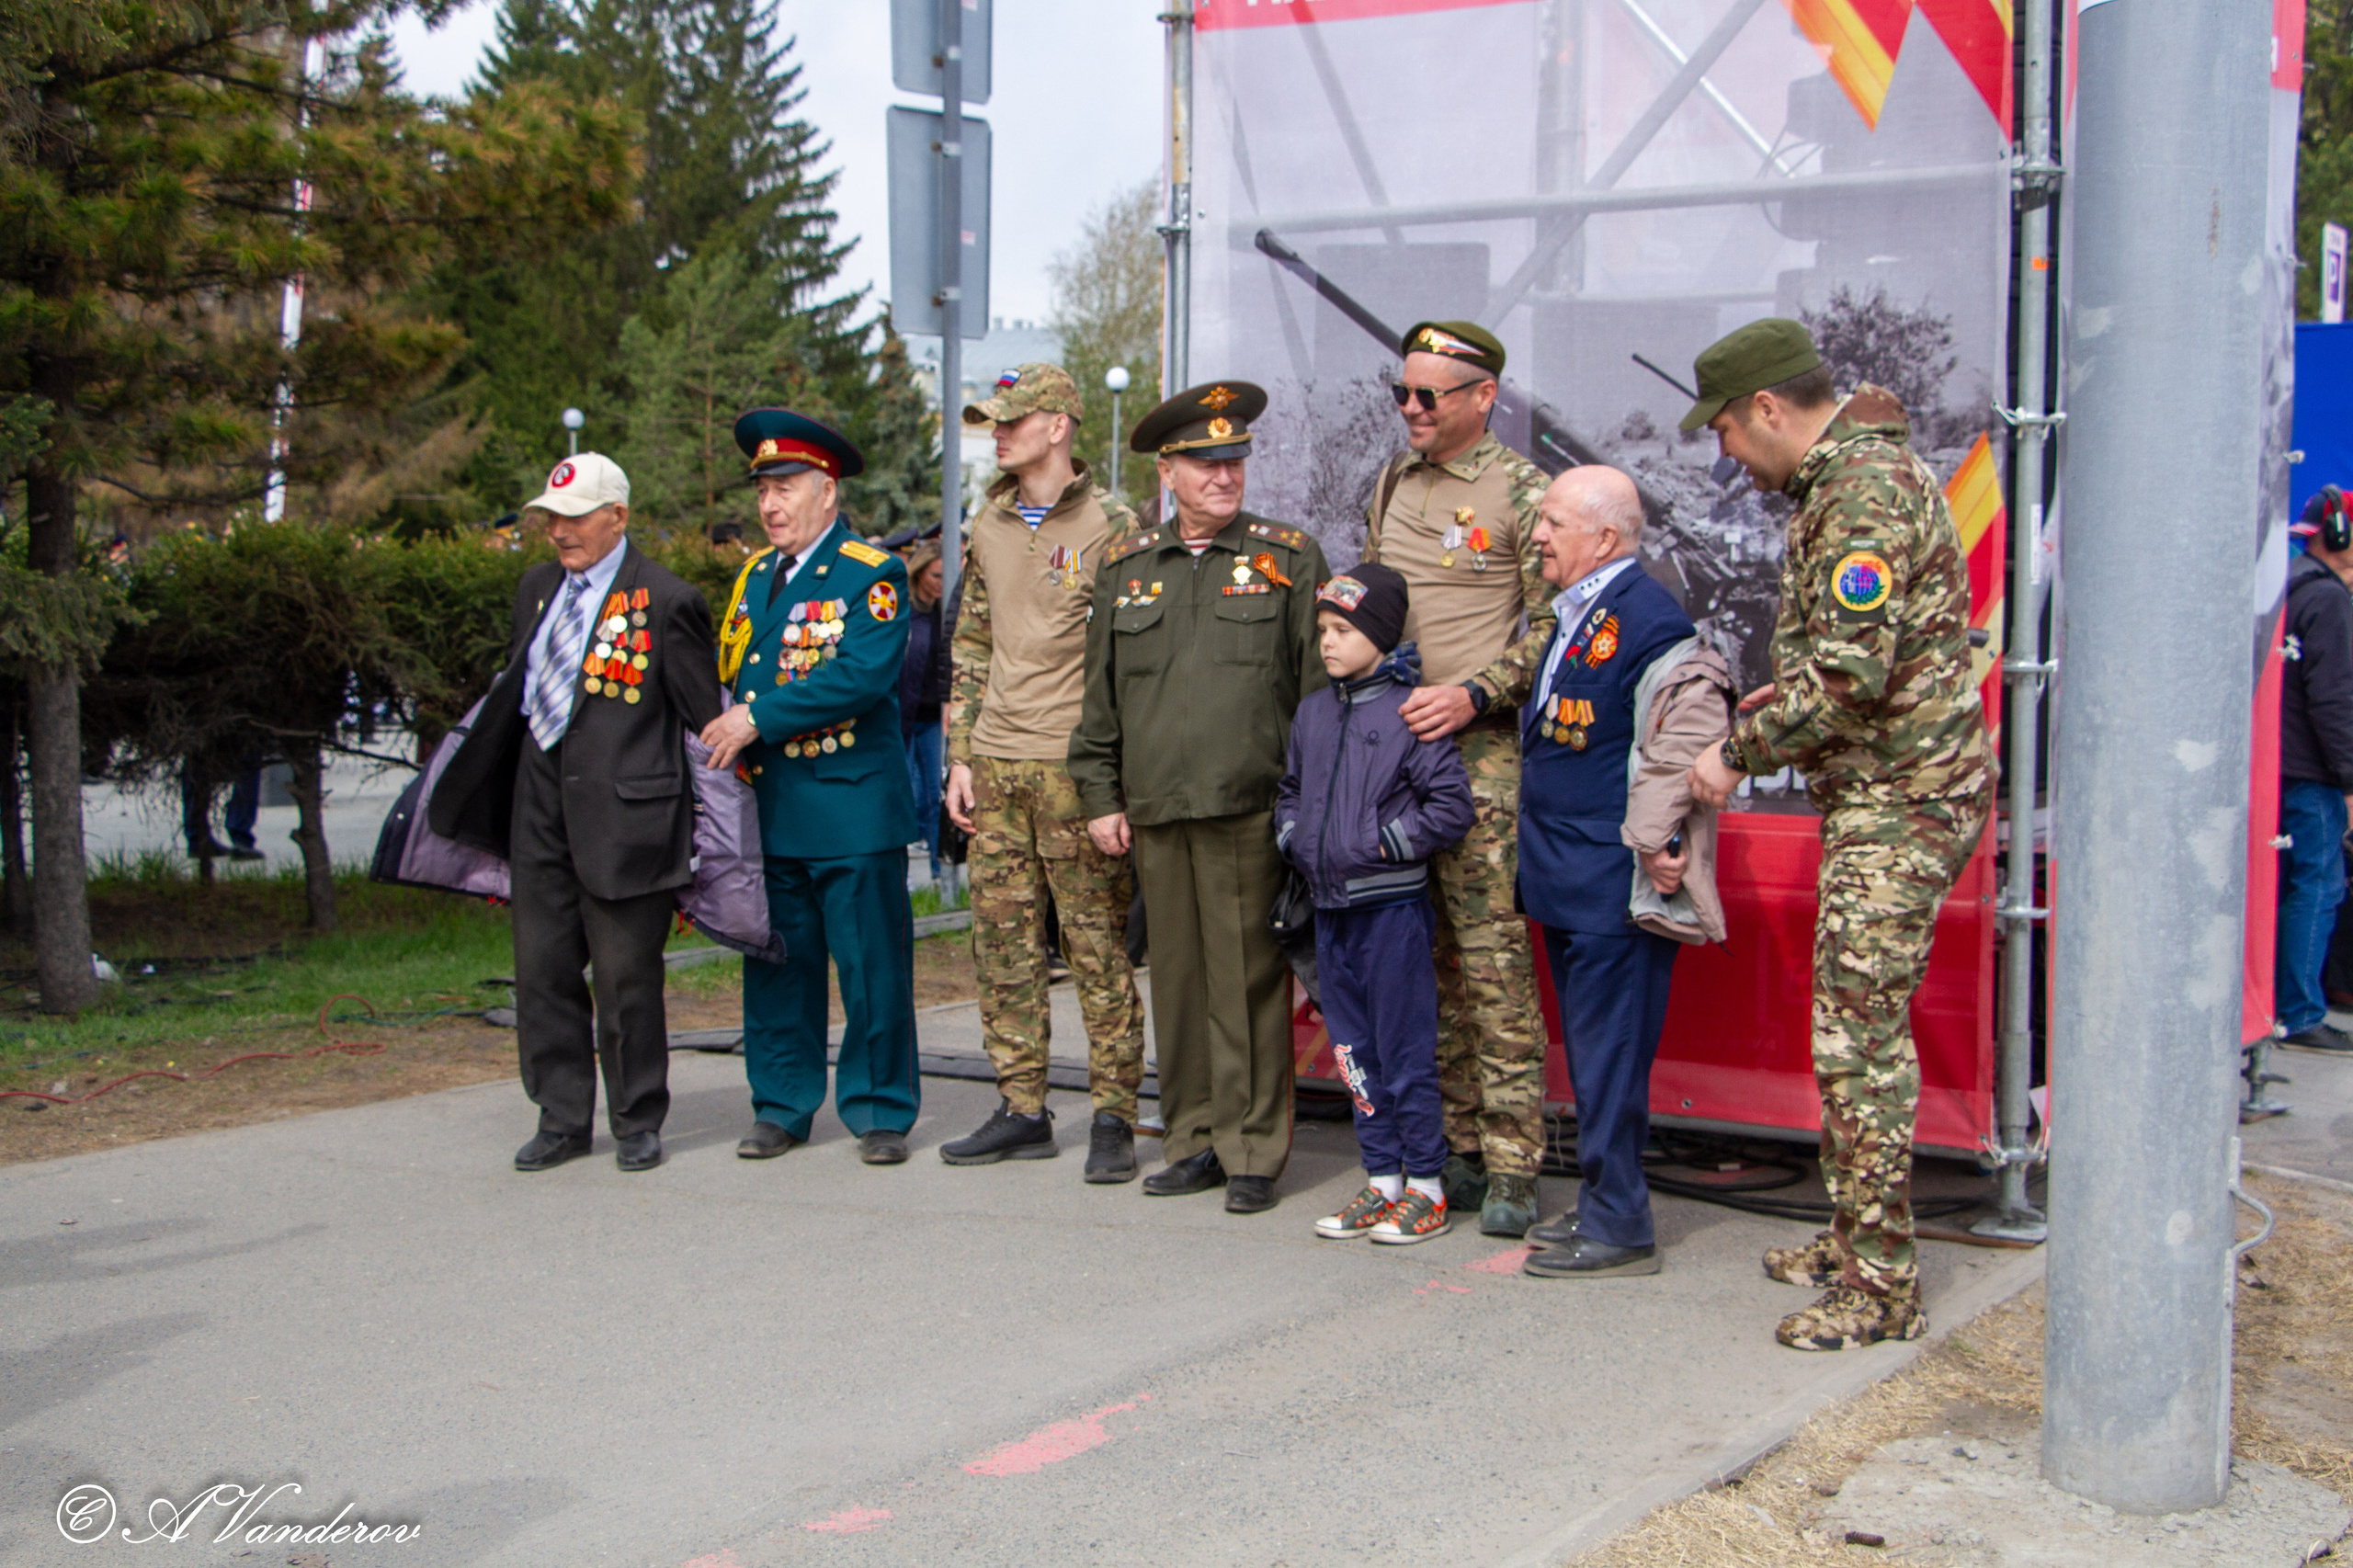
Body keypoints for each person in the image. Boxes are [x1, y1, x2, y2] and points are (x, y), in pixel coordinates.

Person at [1682, 319, 1992, 1350]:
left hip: (1903, 796)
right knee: (1848, 1035)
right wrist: (1792, 695)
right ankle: (1856, 1237)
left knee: (1857, 1046)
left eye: (1726, 429)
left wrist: (1737, 750)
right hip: (1889, 788)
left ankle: (1881, 1287)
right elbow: (1860, 656)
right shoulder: (1849, 480)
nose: (1728, 452)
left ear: (1768, 408)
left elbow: (1853, 678)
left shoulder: (1858, 492)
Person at [1069, 381, 1330, 1214]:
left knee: (1248, 988)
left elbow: (1317, 696)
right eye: (1205, 463)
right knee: (1178, 984)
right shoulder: (1125, 566)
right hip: (1154, 810)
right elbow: (1101, 698)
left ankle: (1252, 1150)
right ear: (1167, 472)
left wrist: (1307, 808)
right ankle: (1192, 1139)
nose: (1225, 476)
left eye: (1234, 461)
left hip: (1249, 808)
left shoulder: (1287, 558)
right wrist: (1100, 795)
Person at [428, 451, 724, 1173]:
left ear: (617, 516)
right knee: (542, 969)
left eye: (574, 518)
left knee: (626, 979)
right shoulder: (536, 588)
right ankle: (561, 1118)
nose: (558, 532)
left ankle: (636, 1119)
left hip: (629, 820)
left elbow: (702, 717)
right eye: (550, 519)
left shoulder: (667, 599)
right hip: (539, 803)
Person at [1357, 320, 1557, 1236]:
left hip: (1479, 762)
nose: (1410, 408)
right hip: (1395, 757)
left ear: (1483, 396)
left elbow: (1554, 630)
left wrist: (1476, 692)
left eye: (1428, 394)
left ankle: (1515, 1163)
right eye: (1401, 391)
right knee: (1421, 962)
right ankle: (1461, 1148)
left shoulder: (1524, 491)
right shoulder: (1392, 482)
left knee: (1490, 963)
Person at [1511, 467, 1725, 1279]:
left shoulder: (1648, 618)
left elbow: (1683, 738)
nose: (1537, 535)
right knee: (1594, 1057)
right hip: (1568, 874)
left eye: (1552, 522)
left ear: (1604, 538)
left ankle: (1621, 1225)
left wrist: (1661, 836)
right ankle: (1603, 1199)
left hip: (1612, 881)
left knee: (1611, 1057)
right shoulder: (1581, 611)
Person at [938, 363, 1149, 1180]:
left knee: (1095, 948)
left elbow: (1133, 660)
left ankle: (1115, 1114)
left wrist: (1112, 779)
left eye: (1012, 420)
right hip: (996, 766)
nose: (998, 434)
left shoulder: (1113, 523)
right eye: (993, 422)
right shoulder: (988, 522)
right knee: (1004, 948)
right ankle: (1022, 1107)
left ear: (1058, 426)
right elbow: (972, 642)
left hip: (1073, 770)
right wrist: (960, 755)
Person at [699, 409, 922, 1166]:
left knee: (871, 969)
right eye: (763, 489)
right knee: (776, 967)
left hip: (849, 806)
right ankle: (782, 1104)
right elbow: (736, 671)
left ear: (827, 491)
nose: (770, 504)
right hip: (771, 807)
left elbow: (860, 676)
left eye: (786, 487)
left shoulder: (872, 572)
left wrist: (756, 718)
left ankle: (880, 1109)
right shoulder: (755, 577)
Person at [1275, 562, 1475, 1244]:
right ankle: (1382, 1179)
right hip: (1330, 913)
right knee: (1353, 1053)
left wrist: (1381, 844)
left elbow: (1450, 807)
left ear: (1381, 635)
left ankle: (1427, 1187)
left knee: (1404, 1051)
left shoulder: (1410, 711)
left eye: (1342, 629)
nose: (1327, 642)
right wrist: (1294, 836)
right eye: (1322, 630)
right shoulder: (1313, 712)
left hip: (1390, 915)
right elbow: (1291, 792)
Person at [2277, 485, 2353, 1053]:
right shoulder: (2328, 600)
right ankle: (2300, 1012)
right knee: (2319, 885)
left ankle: (2283, 1005)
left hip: (2280, 767)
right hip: (2312, 774)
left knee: (2290, 885)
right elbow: (2335, 699)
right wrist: (2351, 779)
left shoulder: (2289, 586)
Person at [900, 541, 950, 888]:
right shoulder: (902, 613)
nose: (941, 583)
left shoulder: (946, 613)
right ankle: (900, 875)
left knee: (935, 795)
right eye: (935, 576)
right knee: (902, 795)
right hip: (901, 718)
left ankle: (939, 873)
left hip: (933, 718)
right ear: (919, 574)